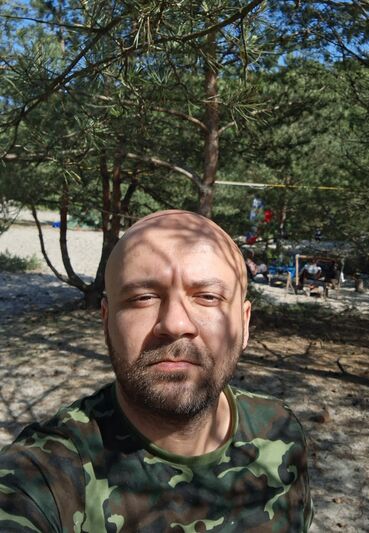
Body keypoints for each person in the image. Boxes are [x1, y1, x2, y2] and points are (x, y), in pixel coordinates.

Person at [0, 210, 313, 532]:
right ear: (106, 321)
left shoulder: (282, 430)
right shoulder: (41, 475)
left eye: (208, 297)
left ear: (244, 324)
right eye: (143, 298)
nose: (175, 324)